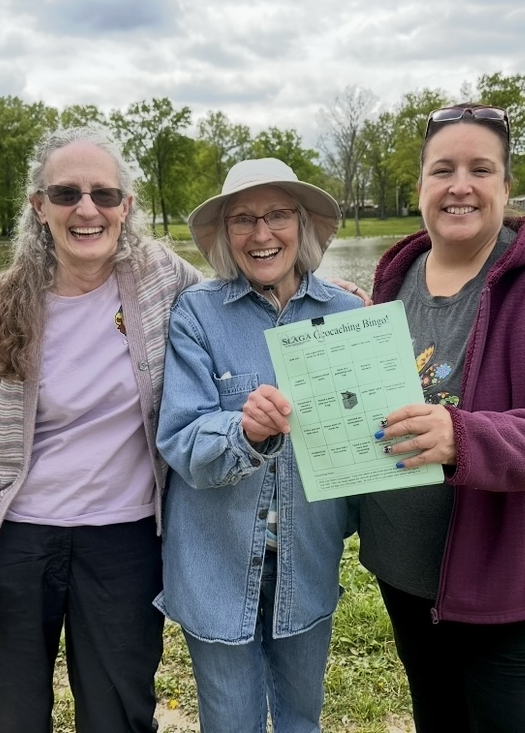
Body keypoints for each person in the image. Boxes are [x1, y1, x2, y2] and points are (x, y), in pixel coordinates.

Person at [357, 105, 525, 733]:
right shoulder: (398, 281)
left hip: (520, 587)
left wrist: (465, 437)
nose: (460, 185)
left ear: (506, 188)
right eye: (443, 170)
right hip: (410, 581)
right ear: (422, 188)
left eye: (481, 169)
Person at [0, 125, 202, 732]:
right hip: (19, 543)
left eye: (104, 195)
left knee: (119, 715)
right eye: (66, 194)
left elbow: (232, 303)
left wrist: (321, 299)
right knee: (16, 717)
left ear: (126, 207)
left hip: (126, 541)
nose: (87, 210)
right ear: (39, 207)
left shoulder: (161, 279)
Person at [154, 158, 365, 732]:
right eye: (244, 219)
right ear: (226, 235)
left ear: (304, 225)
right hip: (216, 562)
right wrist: (243, 430)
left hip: (309, 557)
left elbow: (370, 439)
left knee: (302, 718)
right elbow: (181, 437)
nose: (262, 233)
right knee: (231, 723)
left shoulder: (350, 315)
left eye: (277, 215)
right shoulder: (197, 313)